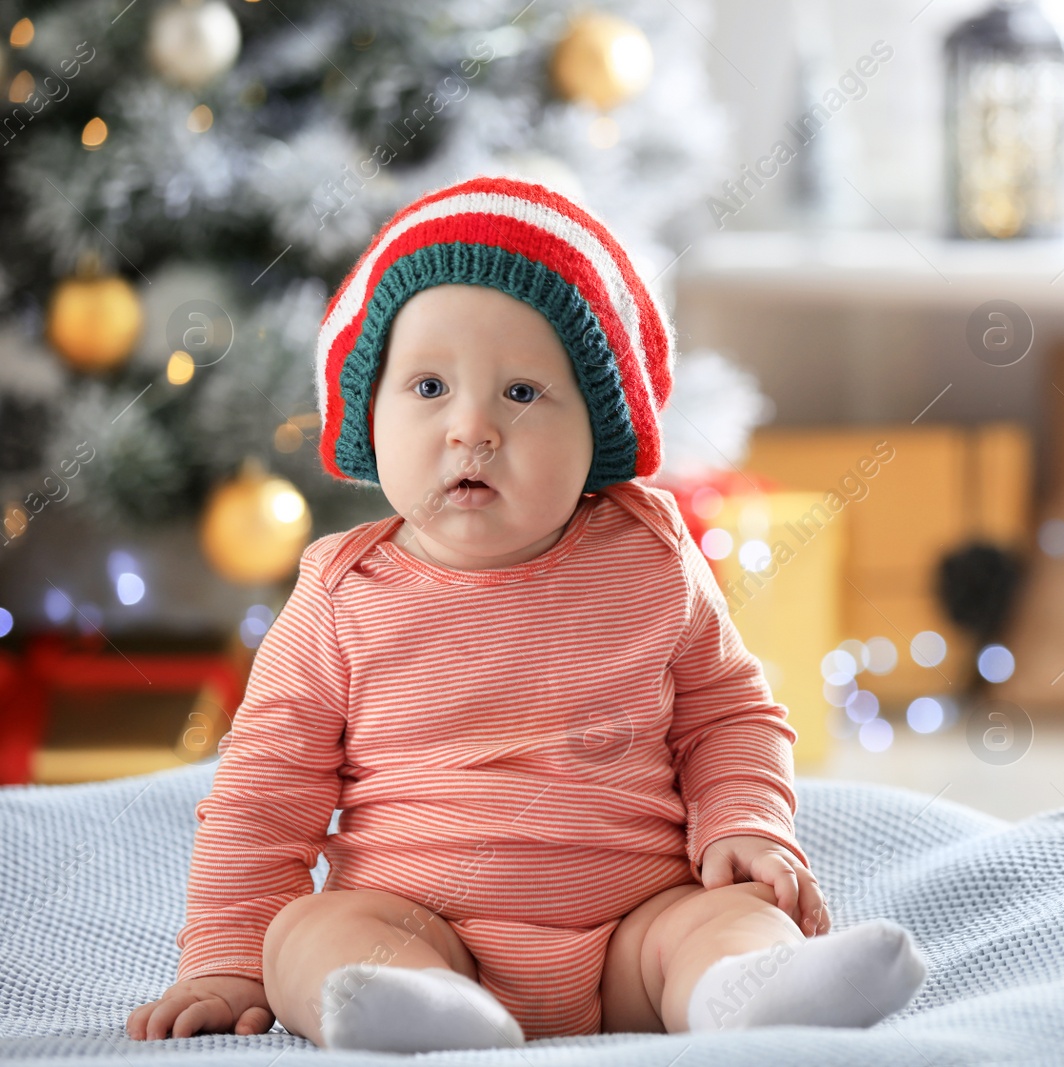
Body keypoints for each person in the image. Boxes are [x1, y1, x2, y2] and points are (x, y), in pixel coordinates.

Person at [124, 176, 927, 1051]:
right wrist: (227, 957)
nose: (472, 428)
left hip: (634, 933)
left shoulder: (649, 554)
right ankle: (419, 1009)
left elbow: (727, 714)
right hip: (419, 924)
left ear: (597, 430)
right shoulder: (340, 595)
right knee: (308, 937)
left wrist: (745, 824)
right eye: (429, 387)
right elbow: (263, 793)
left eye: (521, 393)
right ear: (369, 415)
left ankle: (746, 990)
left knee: (723, 916)